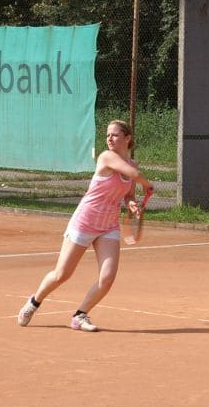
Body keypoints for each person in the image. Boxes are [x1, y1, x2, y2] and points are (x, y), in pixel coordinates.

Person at [17, 119, 153, 332]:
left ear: (128, 138)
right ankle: (34, 302)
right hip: (85, 221)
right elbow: (137, 177)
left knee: (107, 278)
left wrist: (133, 204)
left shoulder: (133, 165)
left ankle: (80, 315)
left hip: (108, 225)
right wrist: (149, 185)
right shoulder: (106, 157)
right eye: (108, 135)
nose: (109, 138)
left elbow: (128, 195)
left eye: (115, 135)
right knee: (62, 274)